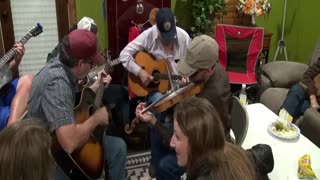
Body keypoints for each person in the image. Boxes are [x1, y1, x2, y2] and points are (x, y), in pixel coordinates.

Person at [27, 29, 127, 180]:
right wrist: (96, 119)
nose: (93, 66)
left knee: (118, 148)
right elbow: (69, 142)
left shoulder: (60, 64)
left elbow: (72, 101)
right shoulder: (58, 83)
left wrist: (96, 86)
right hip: (48, 152)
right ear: (80, 63)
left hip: (60, 137)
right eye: (92, 63)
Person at [47, 16, 130, 129]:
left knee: (122, 92)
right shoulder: (60, 57)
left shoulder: (90, 46)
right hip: (75, 101)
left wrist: (102, 75)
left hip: (88, 90)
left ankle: (124, 129)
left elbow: (100, 63)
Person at [119, 7, 191, 121]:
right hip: (157, 89)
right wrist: (140, 72)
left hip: (180, 88)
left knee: (190, 110)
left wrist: (188, 75)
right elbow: (123, 55)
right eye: (164, 36)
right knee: (159, 102)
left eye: (171, 35)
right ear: (156, 27)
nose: (168, 41)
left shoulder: (184, 38)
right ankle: (157, 133)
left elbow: (191, 64)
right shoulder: (148, 35)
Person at [0, 43, 33, 130]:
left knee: (28, 79)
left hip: (4, 91)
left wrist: (17, 60)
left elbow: (4, 74)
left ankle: (11, 128)